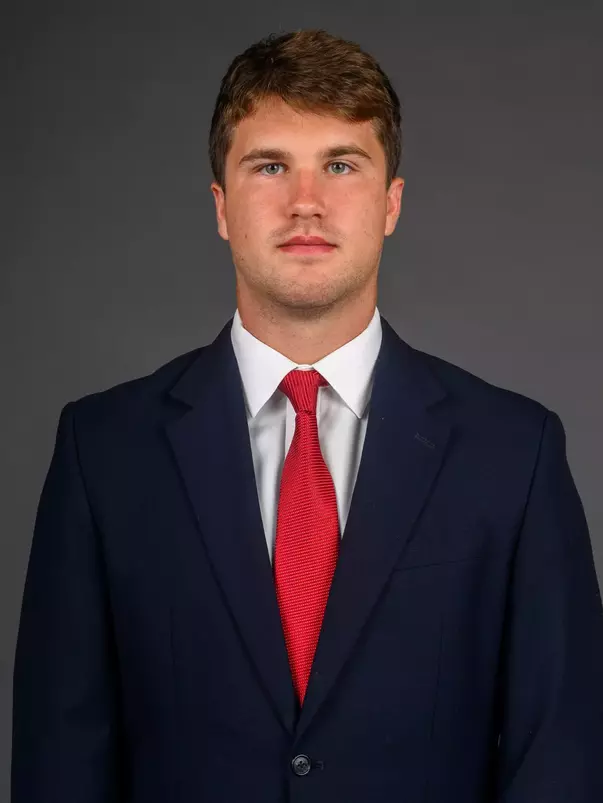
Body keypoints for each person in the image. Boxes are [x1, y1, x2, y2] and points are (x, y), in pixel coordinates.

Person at [11, 27, 603, 803]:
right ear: (221, 207)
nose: (305, 203)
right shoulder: (103, 452)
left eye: (340, 164)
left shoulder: (514, 453)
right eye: (269, 166)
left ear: (391, 203)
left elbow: (560, 758)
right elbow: (60, 760)